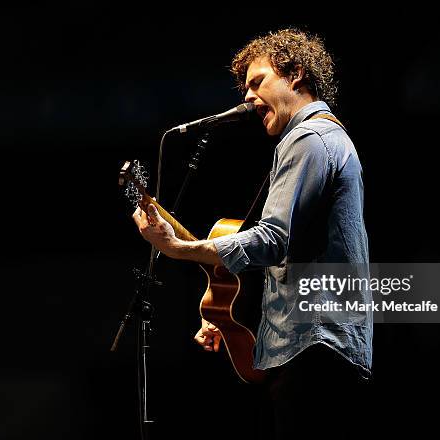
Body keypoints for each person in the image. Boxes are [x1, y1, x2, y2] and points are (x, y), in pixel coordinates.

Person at [133, 28, 372, 438]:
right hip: (321, 345)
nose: (246, 96)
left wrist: (177, 247)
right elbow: (290, 257)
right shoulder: (322, 138)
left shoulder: (307, 138)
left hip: (314, 348)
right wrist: (226, 316)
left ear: (295, 74)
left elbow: (272, 239)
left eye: (257, 82)